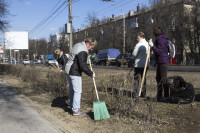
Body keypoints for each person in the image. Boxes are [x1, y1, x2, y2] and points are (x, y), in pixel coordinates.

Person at [65, 38, 97, 116]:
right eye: (91, 47)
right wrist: (91, 73)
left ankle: (72, 105)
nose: (91, 49)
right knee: (78, 91)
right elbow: (82, 66)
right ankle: (76, 110)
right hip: (74, 71)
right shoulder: (83, 50)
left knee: (72, 89)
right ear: (88, 44)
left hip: (68, 69)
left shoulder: (78, 45)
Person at [148, 27, 169, 101]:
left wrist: (152, 45)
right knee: (158, 78)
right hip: (160, 61)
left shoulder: (161, 40)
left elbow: (160, 51)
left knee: (163, 79)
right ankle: (159, 95)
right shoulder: (160, 39)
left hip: (163, 62)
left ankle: (166, 96)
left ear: (156, 34)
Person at [132, 32, 150, 98]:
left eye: (138, 38)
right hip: (146, 64)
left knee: (136, 79)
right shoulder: (148, 44)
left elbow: (134, 54)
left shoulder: (139, 45)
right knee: (143, 78)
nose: (137, 39)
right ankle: (143, 93)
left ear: (142, 37)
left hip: (138, 65)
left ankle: (136, 93)